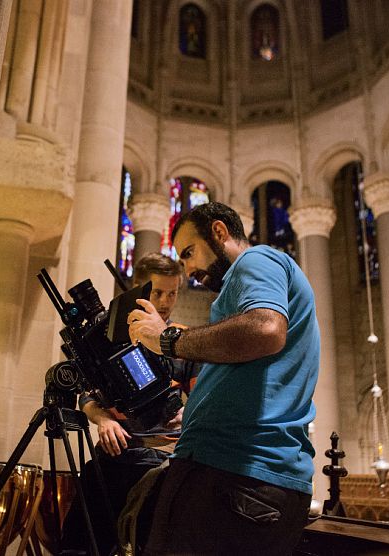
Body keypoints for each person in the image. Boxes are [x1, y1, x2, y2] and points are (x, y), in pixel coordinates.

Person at [128, 201, 319, 555]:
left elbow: (265, 329)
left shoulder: (256, 259)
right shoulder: (242, 284)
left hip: (235, 475)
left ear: (218, 232)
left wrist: (166, 339)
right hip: (235, 476)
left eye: (189, 252)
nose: (187, 269)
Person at [62, 253, 198, 555]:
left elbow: (204, 398)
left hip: (159, 465)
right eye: (156, 292)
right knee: (81, 545)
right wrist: (103, 420)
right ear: (137, 289)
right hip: (112, 459)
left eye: (172, 292)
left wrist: (189, 412)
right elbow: (87, 394)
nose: (164, 301)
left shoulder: (185, 340)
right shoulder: (106, 338)